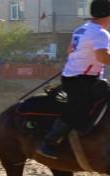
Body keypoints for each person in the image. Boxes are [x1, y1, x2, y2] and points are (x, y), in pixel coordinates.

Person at [36, 0, 110, 159]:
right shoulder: (101, 33)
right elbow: (103, 56)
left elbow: (71, 50)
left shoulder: (81, 29)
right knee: (79, 107)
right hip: (82, 80)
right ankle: (49, 142)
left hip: (74, 76)